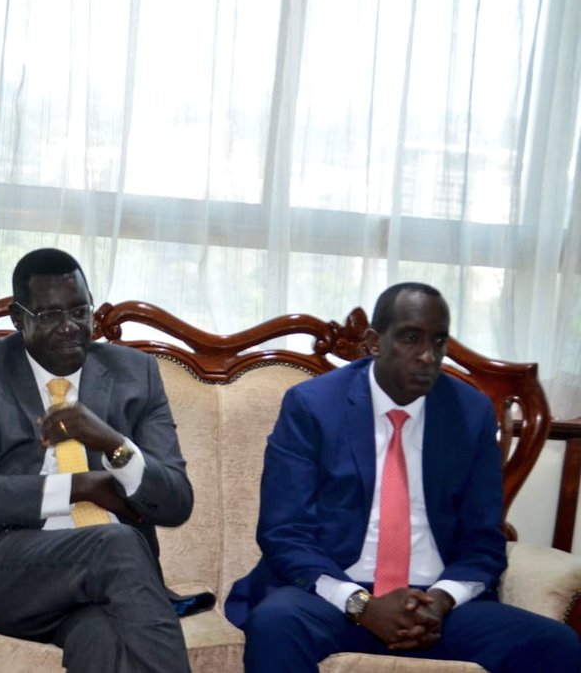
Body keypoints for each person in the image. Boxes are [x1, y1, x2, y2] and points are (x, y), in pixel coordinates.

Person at [224, 282, 581, 672]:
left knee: (554, 644)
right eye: (411, 339)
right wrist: (362, 605)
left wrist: (442, 600)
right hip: (334, 597)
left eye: (439, 340)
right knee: (276, 623)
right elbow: (284, 532)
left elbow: (483, 538)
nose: (429, 356)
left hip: (437, 607)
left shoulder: (469, 412)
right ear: (375, 342)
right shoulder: (312, 406)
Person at [0, 248, 194, 672]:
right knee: (119, 543)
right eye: (49, 315)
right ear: (18, 318)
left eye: (79, 310)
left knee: (102, 639)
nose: (70, 327)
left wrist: (111, 443)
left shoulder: (135, 373)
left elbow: (177, 502)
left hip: (94, 585)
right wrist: (82, 486)